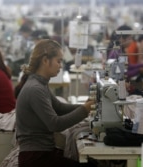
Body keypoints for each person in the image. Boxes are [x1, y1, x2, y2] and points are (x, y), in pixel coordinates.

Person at [15, 39, 95, 167]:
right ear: (45, 60)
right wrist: (85, 110)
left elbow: (59, 107)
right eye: (58, 61)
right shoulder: (35, 89)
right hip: (35, 158)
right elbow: (55, 124)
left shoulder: (40, 84)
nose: (61, 65)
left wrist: (86, 106)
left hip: (41, 154)